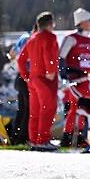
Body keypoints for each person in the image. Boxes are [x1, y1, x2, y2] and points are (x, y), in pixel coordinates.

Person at [16, 11, 59, 151]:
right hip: (45, 79)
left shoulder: (32, 38)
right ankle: (43, 140)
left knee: (35, 111)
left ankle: (34, 139)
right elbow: (48, 53)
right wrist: (50, 70)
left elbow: (21, 59)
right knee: (48, 109)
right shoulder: (49, 37)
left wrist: (25, 76)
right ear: (51, 23)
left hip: (33, 80)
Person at [58, 7, 90, 147]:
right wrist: (64, 76)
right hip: (74, 81)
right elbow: (61, 57)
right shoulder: (71, 38)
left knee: (84, 108)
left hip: (85, 80)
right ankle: (67, 136)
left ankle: (80, 136)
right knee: (76, 107)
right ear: (82, 22)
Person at [7, 23, 36, 145]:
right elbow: (26, 58)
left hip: (20, 76)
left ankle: (16, 136)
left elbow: (11, 54)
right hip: (26, 76)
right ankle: (22, 137)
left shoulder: (23, 37)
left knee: (22, 109)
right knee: (28, 109)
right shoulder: (29, 39)